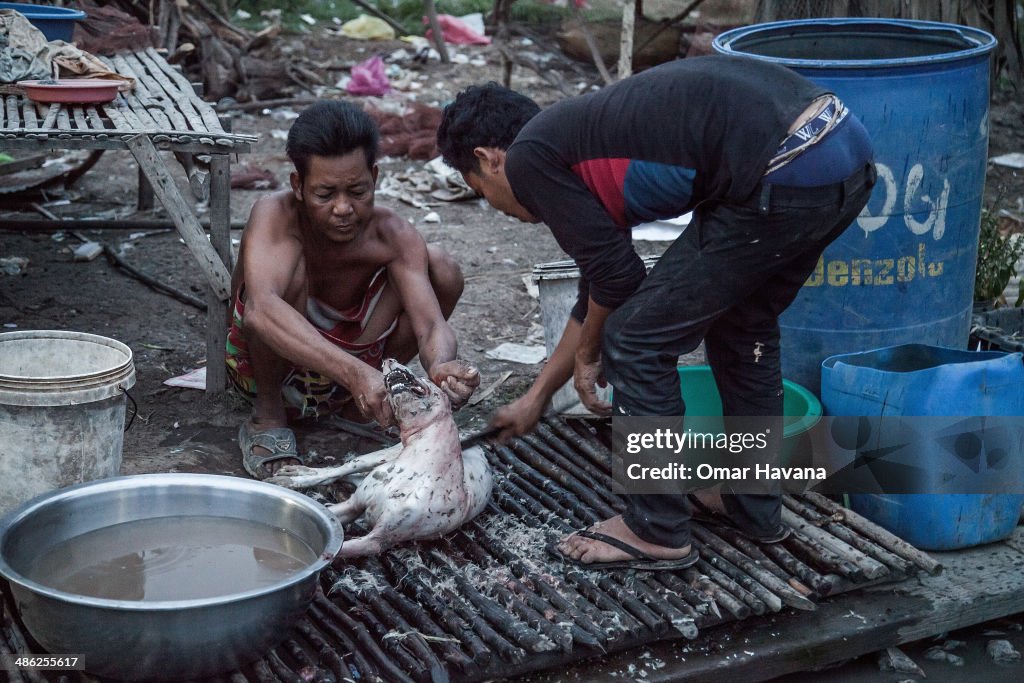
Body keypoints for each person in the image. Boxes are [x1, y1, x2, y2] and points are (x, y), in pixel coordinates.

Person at [436, 55, 875, 570]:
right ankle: (750, 502)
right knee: (743, 327)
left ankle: (655, 527)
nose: (495, 205)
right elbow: (602, 279)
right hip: (840, 153)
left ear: (490, 159)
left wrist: (594, 352)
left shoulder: (530, 158)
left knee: (635, 341)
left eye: (479, 192)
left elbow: (620, 282)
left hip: (779, 167)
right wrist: (539, 394)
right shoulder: (580, 142)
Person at [228, 100, 480, 480]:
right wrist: (359, 375)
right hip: (271, 372)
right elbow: (261, 311)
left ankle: (353, 412)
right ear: (298, 186)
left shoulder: (392, 234)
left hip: (349, 379)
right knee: (277, 290)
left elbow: (429, 326)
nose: (343, 208)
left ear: (375, 178)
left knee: (441, 267)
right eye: (325, 194)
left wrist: (441, 364)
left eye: (357, 191)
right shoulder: (274, 216)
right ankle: (267, 418)